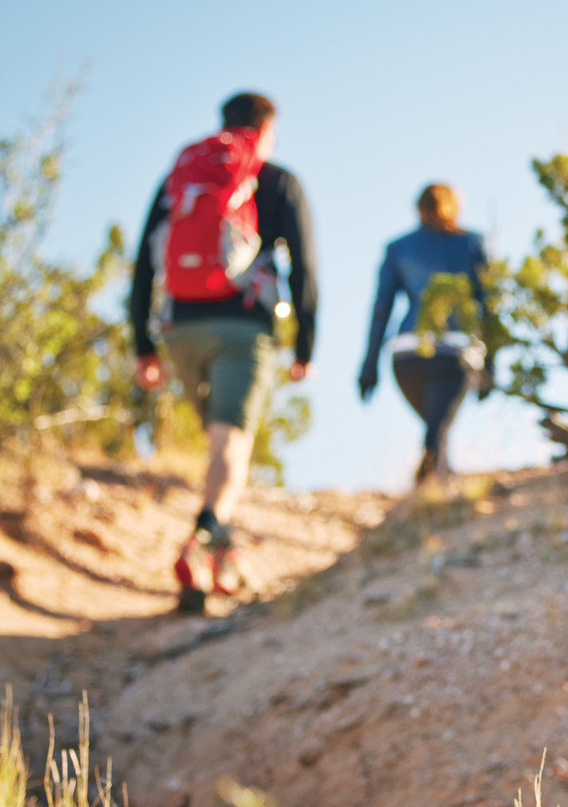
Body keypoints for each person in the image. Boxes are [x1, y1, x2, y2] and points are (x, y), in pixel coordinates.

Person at [130, 92, 316, 613]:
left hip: (180, 326)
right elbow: (305, 265)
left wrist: (142, 344)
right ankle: (201, 539)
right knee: (230, 448)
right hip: (244, 328)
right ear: (266, 129)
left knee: (218, 445)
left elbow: (144, 262)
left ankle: (220, 567)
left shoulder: (183, 180)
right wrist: (305, 343)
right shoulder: (277, 180)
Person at [357, 183, 496, 486]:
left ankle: (435, 484)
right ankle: (430, 476)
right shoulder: (473, 244)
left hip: (405, 354)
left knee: (437, 422)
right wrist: (492, 365)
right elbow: (488, 307)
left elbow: (382, 309)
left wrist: (369, 367)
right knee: (439, 424)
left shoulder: (398, 247)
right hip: (454, 353)